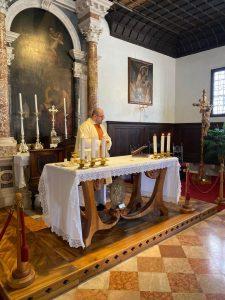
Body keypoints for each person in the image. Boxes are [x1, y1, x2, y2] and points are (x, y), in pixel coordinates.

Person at [75, 108, 112, 210]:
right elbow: (84, 142)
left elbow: (107, 138)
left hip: (102, 157)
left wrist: (108, 142)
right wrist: (101, 143)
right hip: (89, 160)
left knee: (102, 181)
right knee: (89, 182)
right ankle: (85, 205)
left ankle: (101, 203)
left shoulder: (102, 126)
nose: (103, 118)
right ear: (94, 116)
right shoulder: (84, 126)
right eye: (101, 116)